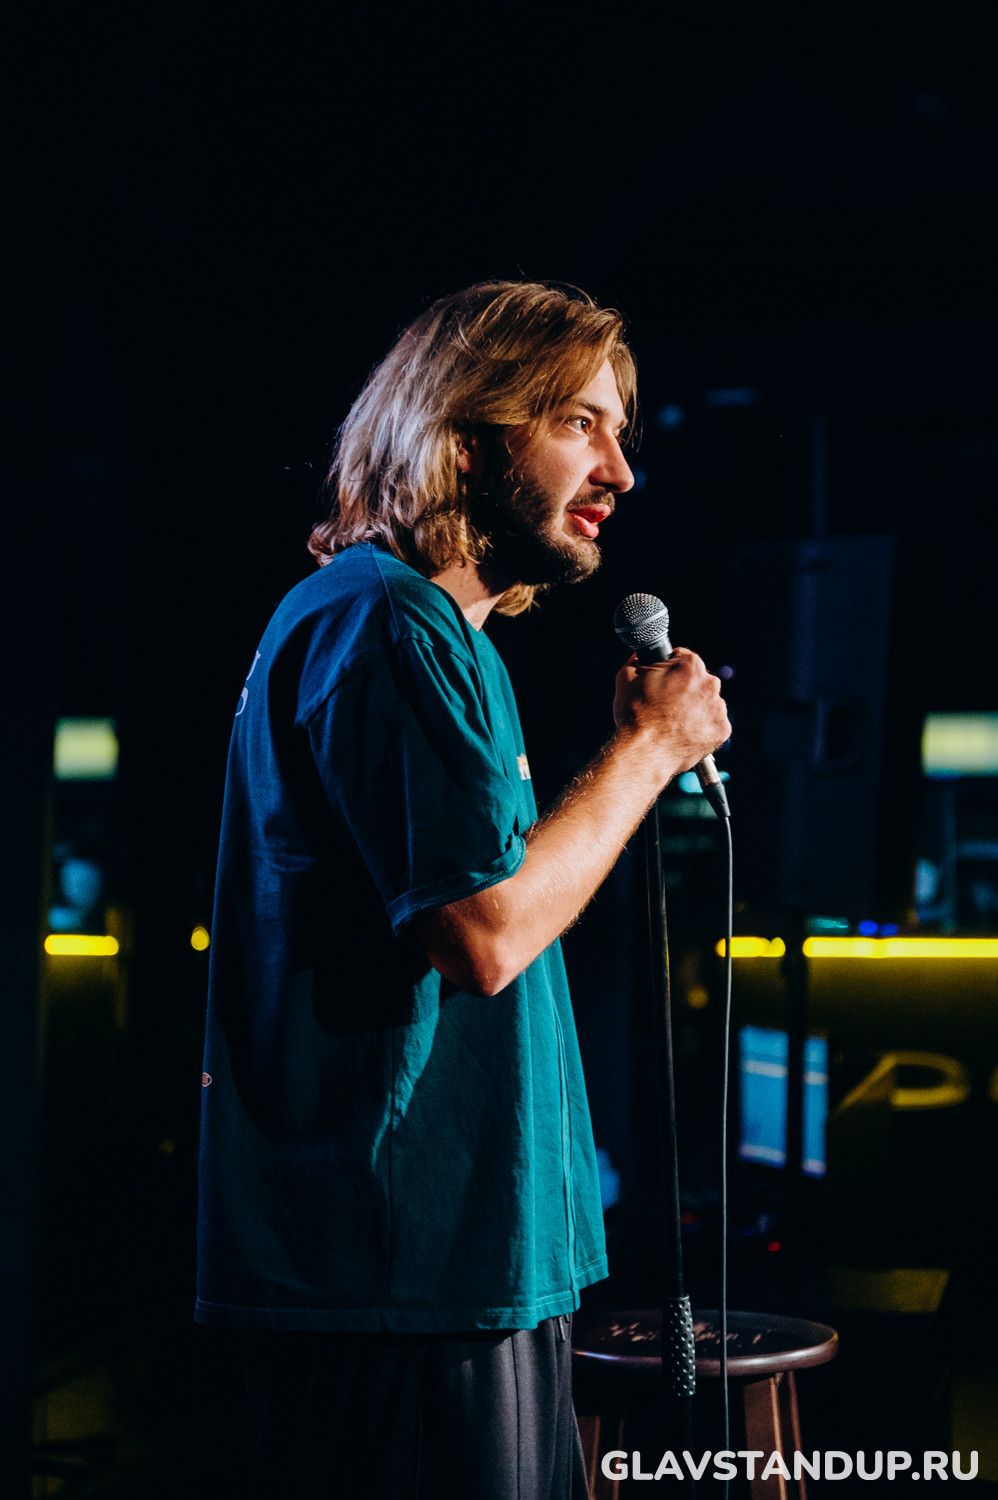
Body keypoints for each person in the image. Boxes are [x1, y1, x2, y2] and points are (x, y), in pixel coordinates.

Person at [195, 280, 731, 1499]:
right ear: (470, 431)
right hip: (403, 1273)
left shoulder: (430, 632)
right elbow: (484, 935)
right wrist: (646, 751)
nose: (618, 471)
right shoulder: (388, 623)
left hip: (449, 1262)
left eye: (619, 433)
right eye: (578, 424)